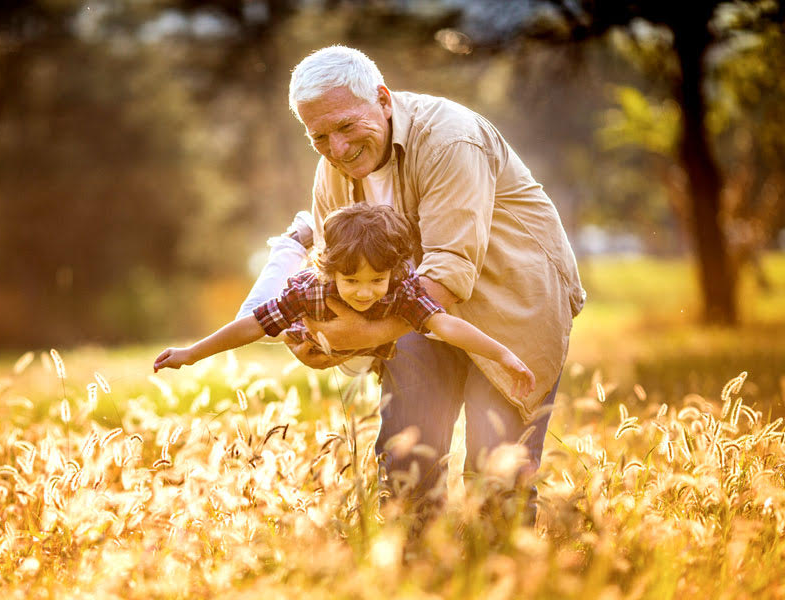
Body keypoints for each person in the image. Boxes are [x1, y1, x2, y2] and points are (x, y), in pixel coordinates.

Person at [241, 45, 586, 519]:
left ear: (383, 100)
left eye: (346, 126)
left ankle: (506, 578)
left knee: (496, 473)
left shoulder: (450, 140)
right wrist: (318, 340)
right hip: (411, 311)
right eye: (319, 135)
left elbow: (445, 274)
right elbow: (332, 268)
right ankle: (419, 577)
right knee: (408, 465)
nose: (337, 149)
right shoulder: (332, 169)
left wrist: (357, 337)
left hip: (510, 306)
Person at [155, 204, 536, 405]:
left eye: (376, 280)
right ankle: (294, 241)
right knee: (254, 315)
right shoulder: (309, 289)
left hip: (361, 343)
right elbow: (250, 326)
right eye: (351, 280)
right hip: (309, 324)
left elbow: (446, 325)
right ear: (332, 270)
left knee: (399, 337)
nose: (364, 292)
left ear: (393, 271)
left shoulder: (402, 287)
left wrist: (502, 355)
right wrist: (191, 353)